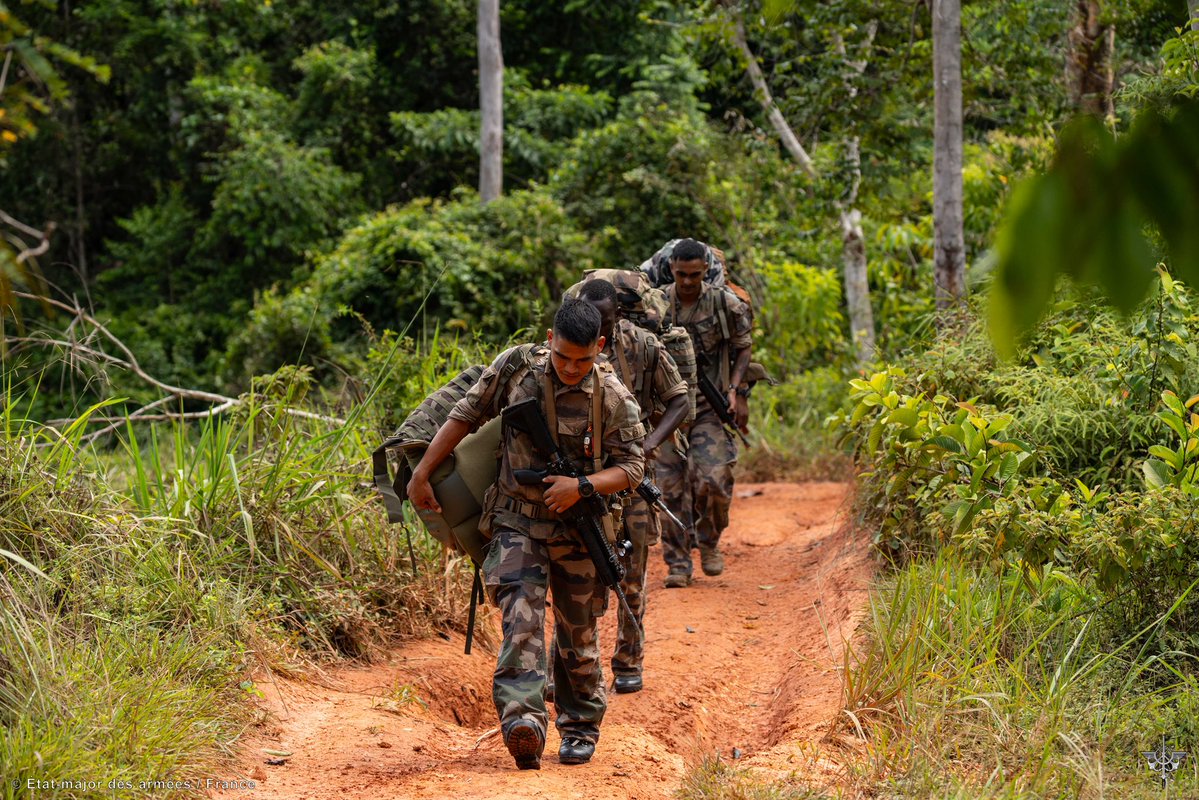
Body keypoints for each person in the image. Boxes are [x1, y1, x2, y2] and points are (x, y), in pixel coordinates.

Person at [406, 298, 646, 771]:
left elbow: (634, 467)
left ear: (599, 347)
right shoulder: (517, 368)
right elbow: (465, 414)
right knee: (521, 618)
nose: (572, 368)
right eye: (562, 357)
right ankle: (525, 722)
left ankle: (578, 725)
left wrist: (581, 487)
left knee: (578, 635)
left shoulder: (613, 396)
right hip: (517, 521)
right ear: (549, 340)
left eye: (583, 359)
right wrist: (422, 474)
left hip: (582, 528)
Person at [576, 279, 690, 694]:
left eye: (603, 321)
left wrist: (648, 444)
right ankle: (570, 669)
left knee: (632, 573)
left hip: (633, 479)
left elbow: (679, 399)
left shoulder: (644, 346)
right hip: (584, 483)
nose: (595, 329)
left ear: (617, 315)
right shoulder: (568, 350)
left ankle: (628, 660)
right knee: (577, 575)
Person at [656, 238, 753, 587]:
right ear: (671, 270)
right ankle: (678, 564)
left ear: (704, 271)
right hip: (666, 410)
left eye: (694, 275)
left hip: (709, 407)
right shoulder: (655, 305)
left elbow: (744, 347)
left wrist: (735, 389)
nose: (687, 282)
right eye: (681, 274)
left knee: (713, 478)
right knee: (669, 487)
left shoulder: (724, 304)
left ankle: (709, 541)